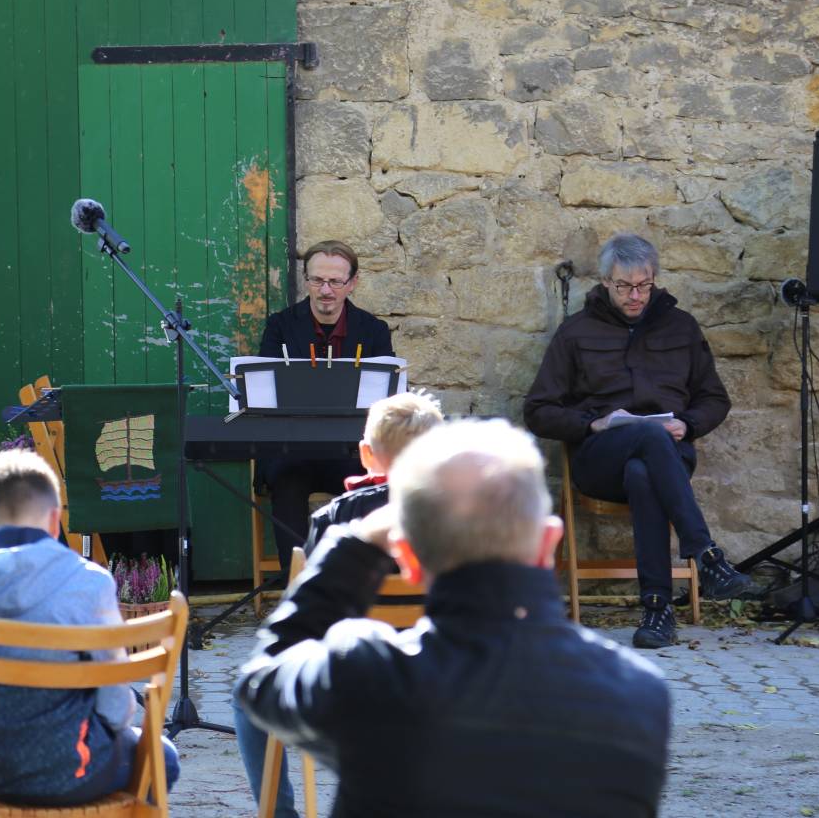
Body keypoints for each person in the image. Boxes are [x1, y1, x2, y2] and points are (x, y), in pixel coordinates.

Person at [236, 419, 672, 818]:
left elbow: (260, 682)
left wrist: (358, 543)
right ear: (549, 544)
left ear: (407, 558)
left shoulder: (367, 674)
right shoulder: (639, 697)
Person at [523, 232, 750, 649]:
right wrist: (592, 424)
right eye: (625, 286)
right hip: (599, 459)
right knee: (645, 438)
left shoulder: (681, 327)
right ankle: (706, 554)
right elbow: (538, 410)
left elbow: (714, 398)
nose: (636, 296)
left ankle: (657, 611)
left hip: (668, 454)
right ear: (606, 282)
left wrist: (688, 425)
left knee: (643, 471)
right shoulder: (577, 332)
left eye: (644, 285)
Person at [0, 448, 178, 806]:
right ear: (55, 522)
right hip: (73, 771)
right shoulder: (89, 584)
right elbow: (115, 707)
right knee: (162, 757)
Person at [234, 390, 444, 818]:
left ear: (365, 455)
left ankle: (280, 814)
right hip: (442, 682)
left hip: (357, 686)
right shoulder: (464, 517)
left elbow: (309, 615)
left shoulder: (336, 518)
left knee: (246, 698)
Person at [257, 239, 395, 563]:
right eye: (318, 280)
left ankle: (359, 575)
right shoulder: (280, 326)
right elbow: (266, 392)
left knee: (375, 485)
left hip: (350, 451)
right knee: (286, 482)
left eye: (335, 281)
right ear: (306, 280)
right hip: (294, 450)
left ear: (353, 283)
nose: (326, 290)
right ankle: (297, 580)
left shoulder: (374, 330)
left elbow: (386, 401)